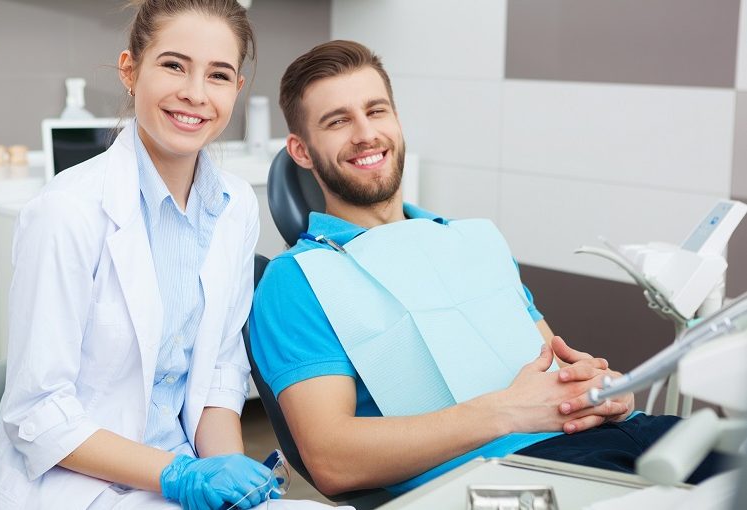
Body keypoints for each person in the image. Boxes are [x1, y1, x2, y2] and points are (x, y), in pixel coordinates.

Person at [250, 39, 732, 497]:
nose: (365, 133)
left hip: (629, 434)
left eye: (376, 111)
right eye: (338, 121)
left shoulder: (475, 239)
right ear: (302, 151)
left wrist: (605, 391)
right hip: (519, 474)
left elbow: (553, 365)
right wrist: (506, 412)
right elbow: (333, 461)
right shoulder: (297, 279)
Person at [0, 2, 343, 509]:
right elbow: (39, 413)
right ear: (130, 70)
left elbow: (218, 377)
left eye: (218, 75)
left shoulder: (233, 209)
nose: (194, 93)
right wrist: (182, 475)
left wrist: (226, 483)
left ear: (235, 88)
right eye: (173, 65)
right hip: (74, 485)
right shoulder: (66, 211)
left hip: (180, 470)